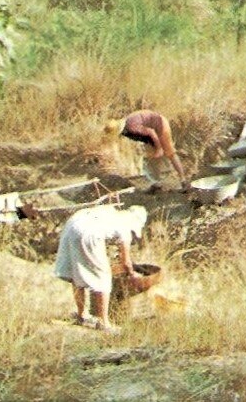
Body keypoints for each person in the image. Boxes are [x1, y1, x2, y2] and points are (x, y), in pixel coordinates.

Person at [53, 203, 148, 333]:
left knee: (76, 271)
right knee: (103, 276)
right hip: (87, 232)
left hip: (71, 225)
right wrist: (132, 274)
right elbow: (125, 261)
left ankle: (82, 315)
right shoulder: (126, 224)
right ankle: (104, 322)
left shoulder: (111, 212)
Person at [104, 111, 188, 190]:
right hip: (153, 128)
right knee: (150, 157)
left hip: (160, 124)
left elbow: (151, 132)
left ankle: (183, 181)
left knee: (170, 153)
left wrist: (159, 148)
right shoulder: (127, 123)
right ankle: (157, 183)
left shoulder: (131, 126)